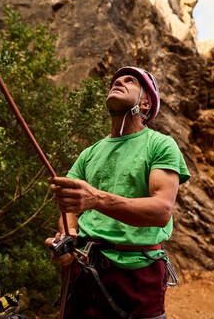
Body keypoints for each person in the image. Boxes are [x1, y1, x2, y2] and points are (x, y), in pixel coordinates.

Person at [45, 66, 190, 319]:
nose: (119, 82)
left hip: (138, 272)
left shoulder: (160, 144)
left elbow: (161, 211)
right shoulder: (89, 153)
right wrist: (68, 238)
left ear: (145, 104)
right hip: (85, 267)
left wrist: (95, 198)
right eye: (116, 80)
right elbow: (69, 206)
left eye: (130, 81)